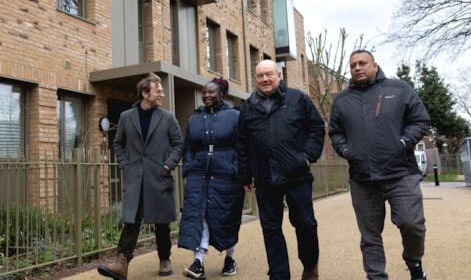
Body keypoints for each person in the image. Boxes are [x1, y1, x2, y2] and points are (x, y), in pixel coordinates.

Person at [329, 50, 431, 280]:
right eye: (353, 65)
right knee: (370, 235)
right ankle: (376, 276)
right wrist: (345, 150)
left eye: (362, 63)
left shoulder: (399, 89)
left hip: (400, 173)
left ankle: (414, 264)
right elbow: (335, 132)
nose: (357, 68)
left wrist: (403, 142)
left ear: (375, 65)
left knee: (412, 223)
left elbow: (421, 119)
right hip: (362, 179)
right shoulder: (342, 100)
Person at [235, 59, 326, 280]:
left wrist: (307, 157)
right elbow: (242, 143)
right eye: (260, 76)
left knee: (305, 223)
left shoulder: (298, 99)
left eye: (269, 74)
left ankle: (310, 264)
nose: (265, 79)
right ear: (255, 79)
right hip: (265, 178)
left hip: (297, 175)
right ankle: (279, 275)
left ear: (279, 75)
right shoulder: (248, 107)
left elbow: (316, 128)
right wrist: (245, 174)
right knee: (271, 229)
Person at [98, 73, 184, 280]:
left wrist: (168, 165)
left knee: (161, 222)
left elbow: (179, 144)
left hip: (159, 176)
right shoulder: (127, 117)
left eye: (162, 91)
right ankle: (121, 263)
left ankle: (165, 259)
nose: (162, 94)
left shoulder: (168, 117)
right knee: (131, 221)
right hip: (135, 177)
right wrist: (126, 164)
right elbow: (118, 143)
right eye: (158, 91)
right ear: (145, 94)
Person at [179, 78, 244, 279]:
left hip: (227, 174)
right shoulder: (195, 119)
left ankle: (230, 258)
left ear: (221, 93)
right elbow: (188, 146)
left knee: (227, 215)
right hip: (199, 174)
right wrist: (189, 166)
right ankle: (198, 262)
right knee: (200, 214)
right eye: (204, 92)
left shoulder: (235, 116)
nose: (206, 95)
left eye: (211, 92)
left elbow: (243, 146)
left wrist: (237, 169)